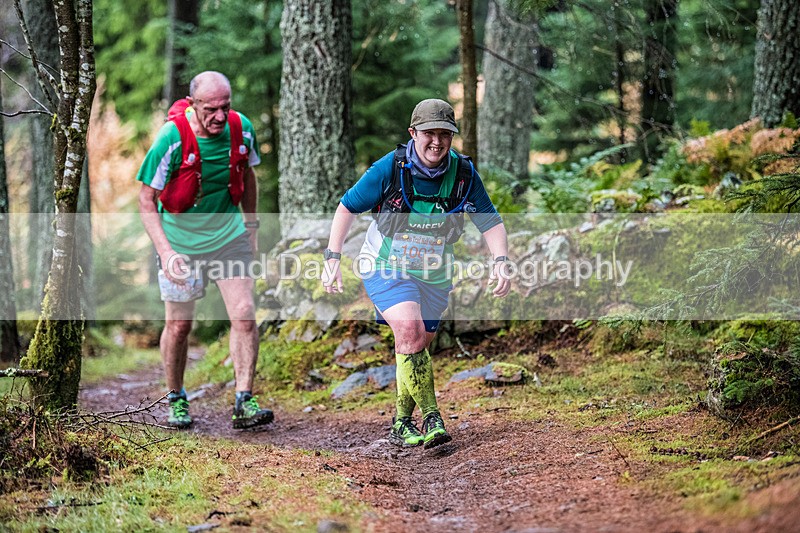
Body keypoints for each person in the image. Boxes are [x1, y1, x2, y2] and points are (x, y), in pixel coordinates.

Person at [322, 99, 510, 449]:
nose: (436, 142)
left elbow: (490, 221)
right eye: (428, 133)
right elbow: (347, 206)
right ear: (413, 133)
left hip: (434, 274)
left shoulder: (464, 175)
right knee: (408, 330)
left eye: (444, 134)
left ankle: (401, 423)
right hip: (384, 265)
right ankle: (433, 417)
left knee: (416, 344)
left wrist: (501, 261)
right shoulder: (389, 169)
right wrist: (332, 256)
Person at [137, 71, 273, 430]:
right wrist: (166, 253)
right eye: (210, 109)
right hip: (180, 243)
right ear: (193, 104)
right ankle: (176, 398)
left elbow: (248, 177)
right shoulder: (171, 137)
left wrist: (252, 226)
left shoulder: (241, 128)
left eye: (224, 107)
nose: (218, 116)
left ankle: (244, 399)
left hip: (228, 237)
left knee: (244, 312)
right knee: (179, 325)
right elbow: (146, 199)